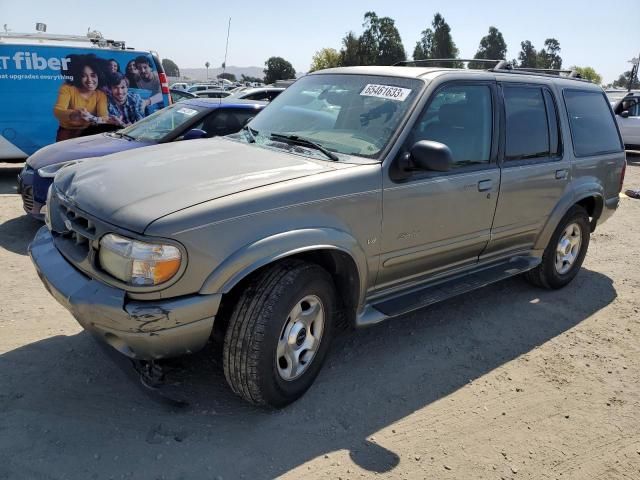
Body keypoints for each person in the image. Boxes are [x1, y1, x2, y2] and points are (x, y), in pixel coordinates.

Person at [53, 54, 110, 141]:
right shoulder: (67, 88)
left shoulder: (100, 94)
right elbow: (57, 111)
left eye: (93, 75)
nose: (89, 80)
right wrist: (73, 114)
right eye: (83, 76)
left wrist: (90, 117)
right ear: (77, 76)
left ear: (99, 76)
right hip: (67, 131)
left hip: (89, 132)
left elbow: (104, 118)